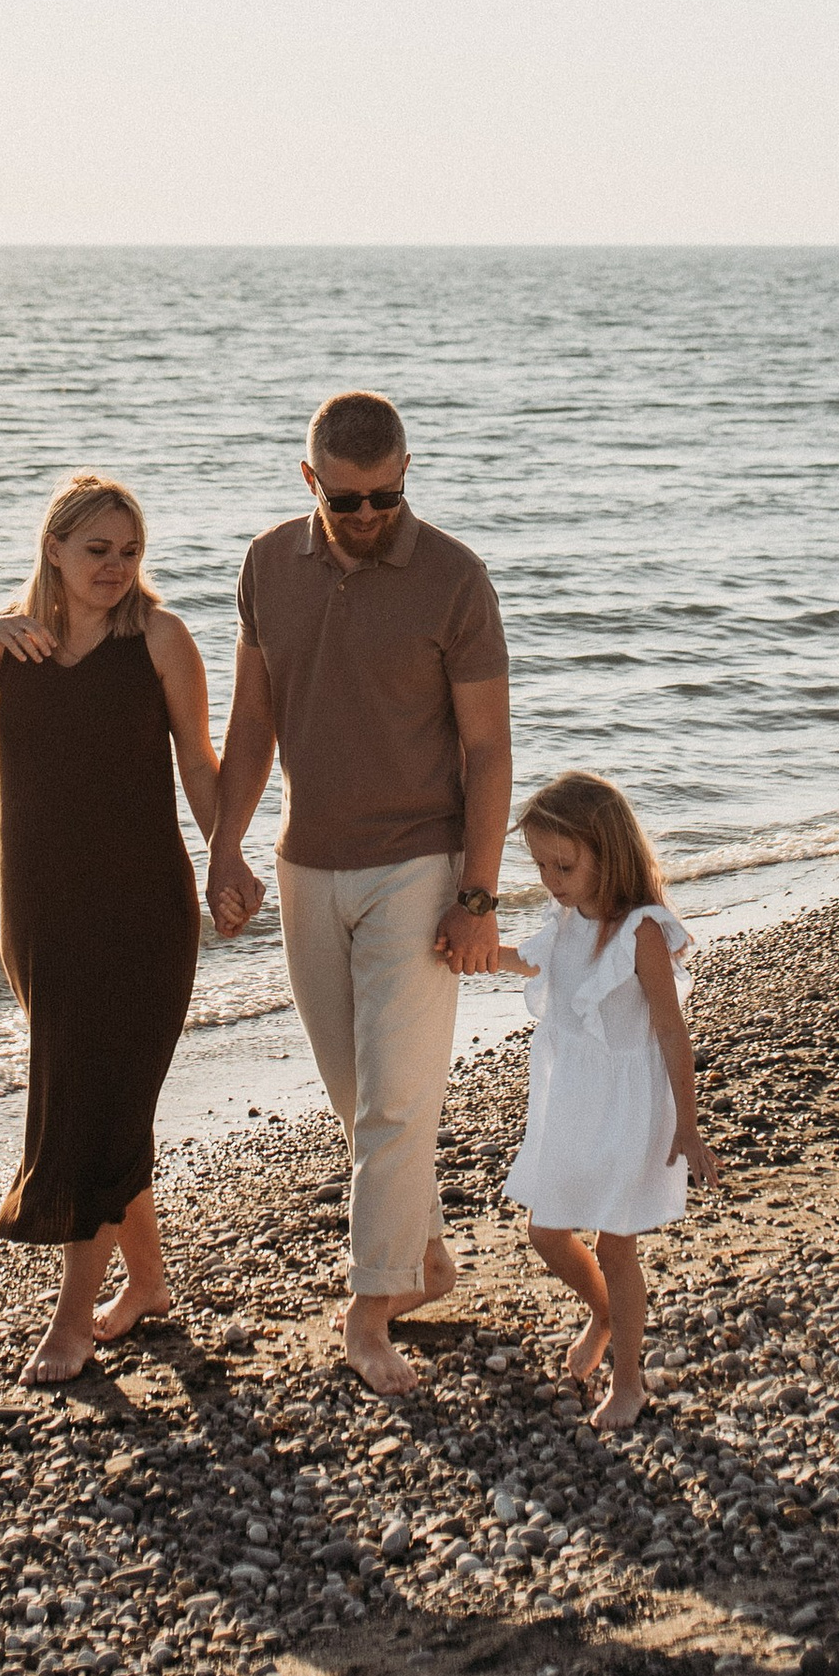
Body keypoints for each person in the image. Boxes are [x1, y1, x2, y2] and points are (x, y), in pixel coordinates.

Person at [206, 388, 514, 1396]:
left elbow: (485, 746)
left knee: (394, 1098)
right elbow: (252, 728)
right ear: (311, 484)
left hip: (418, 865)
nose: (370, 514)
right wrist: (223, 846)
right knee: (360, 1100)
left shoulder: (453, 577)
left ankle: (368, 1311)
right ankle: (421, 1260)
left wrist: (478, 894)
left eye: (387, 493)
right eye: (348, 501)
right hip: (306, 864)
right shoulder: (265, 567)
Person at [0, 473, 218, 1387]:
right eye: (98, 550)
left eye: (130, 551)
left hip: (143, 910)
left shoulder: (161, 637)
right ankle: (149, 1284)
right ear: (53, 548)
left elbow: (200, 766)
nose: (117, 567)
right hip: (40, 911)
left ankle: (73, 1318)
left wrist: (231, 857)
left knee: (95, 1104)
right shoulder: (14, 644)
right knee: (103, 1094)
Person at [498, 767, 718, 1435]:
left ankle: (630, 1383)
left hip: (628, 1105)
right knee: (545, 1229)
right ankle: (601, 1313)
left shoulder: (643, 930)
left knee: (616, 1245)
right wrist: (472, 953)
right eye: (540, 865)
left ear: (608, 853)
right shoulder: (566, 917)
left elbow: (671, 1029)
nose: (551, 879)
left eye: (564, 864)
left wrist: (690, 1121)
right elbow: (533, 961)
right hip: (570, 1098)